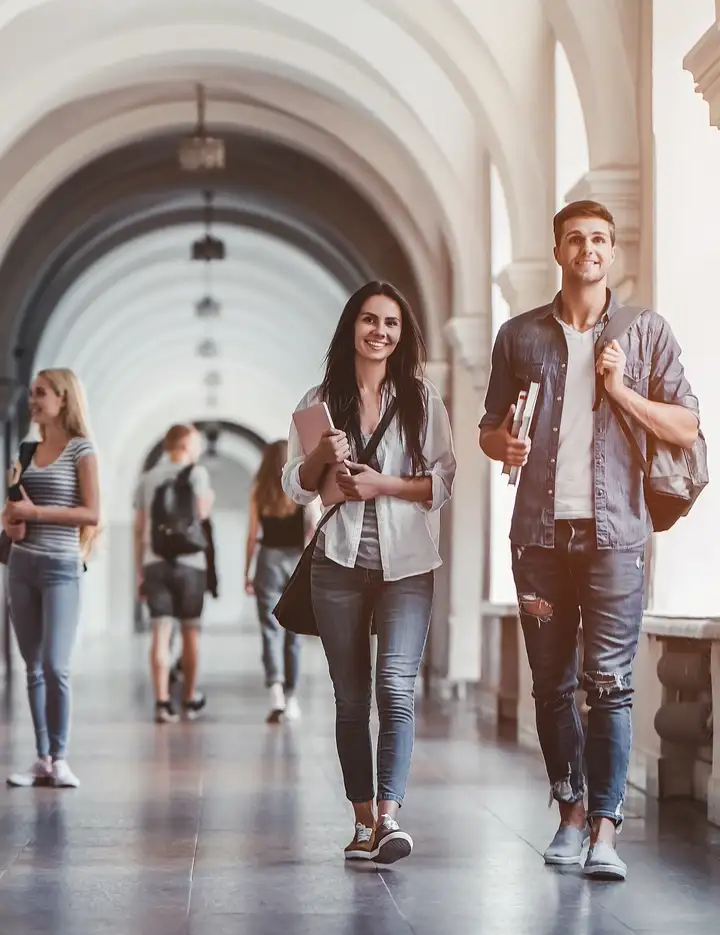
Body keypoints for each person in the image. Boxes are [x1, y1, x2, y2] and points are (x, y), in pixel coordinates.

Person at [478, 200, 700, 881]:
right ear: (559, 250)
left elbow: (686, 427)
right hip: (538, 540)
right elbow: (488, 427)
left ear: (612, 251)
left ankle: (605, 829)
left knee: (610, 685)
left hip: (617, 538)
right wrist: (502, 442)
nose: (589, 248)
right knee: (551, 684)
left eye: (600, 238)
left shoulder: (646, 333)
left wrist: (622, 390)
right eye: (576, 238)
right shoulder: (519, 336)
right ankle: (569, 813)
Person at [282, 280, 456, 864]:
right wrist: (320, 456)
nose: (379, 332)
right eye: (369, 320)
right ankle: (361, 821)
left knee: (396, 688)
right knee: (351, 698)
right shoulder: (318, 400)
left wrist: (383, 484)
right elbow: (295, 488)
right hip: (338, 563)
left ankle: (389, 817)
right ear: (351, 328)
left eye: (391, 323)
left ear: (402, 335)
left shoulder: (423, 401)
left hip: (407, 566)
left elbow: (442, 483)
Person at [3, 368, 100, 789]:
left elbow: (92, 514)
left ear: (63, 399)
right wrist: (12, 519)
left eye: (41, 393)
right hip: (22, 565)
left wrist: (35, 513)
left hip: (62, 567)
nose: (33, 400)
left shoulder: (82, 451)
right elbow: (13, 515)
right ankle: (41, 758)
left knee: (55, 666)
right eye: (31, 394)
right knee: (32, 668)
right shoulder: (25, 451)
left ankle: (60, 758)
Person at [133, 424, 213, 723]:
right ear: (184, 444)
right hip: (191, 563)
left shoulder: (148, 477)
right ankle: (190, 699)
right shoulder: (197, 473)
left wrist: (140, 570)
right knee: (191, 634)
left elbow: (140, 527)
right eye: (196, 442)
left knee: (160, 633)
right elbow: (203, 514)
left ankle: (162, 703)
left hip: (155, 561)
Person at [245, 439, 314, 723]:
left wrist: (246, 572)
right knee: (293, 633)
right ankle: (292, 697)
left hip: (267, 562)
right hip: (296, 562)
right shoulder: (302, 490)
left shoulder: (259, 491)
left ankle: (275, 691)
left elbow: (252, 536)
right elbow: (314, 527)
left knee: (269, 630)